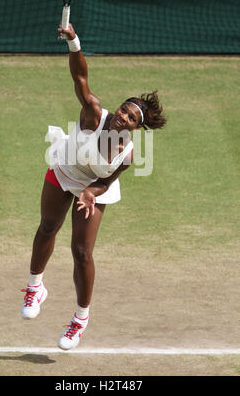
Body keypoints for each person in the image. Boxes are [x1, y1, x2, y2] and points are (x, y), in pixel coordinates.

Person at [21, 22, 166, 350]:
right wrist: (74, 41)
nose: (124, 117)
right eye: (125, 110)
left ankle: (79, 319)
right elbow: (80, 77)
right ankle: (35, 287)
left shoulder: (128, 154)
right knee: (47, 227)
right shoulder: (93, 113)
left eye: (131, 119)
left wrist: (90, 193)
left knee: (82, 252)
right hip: (65, 168)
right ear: (120, 107)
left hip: (92, 188)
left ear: (136, 128)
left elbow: (106, 180)